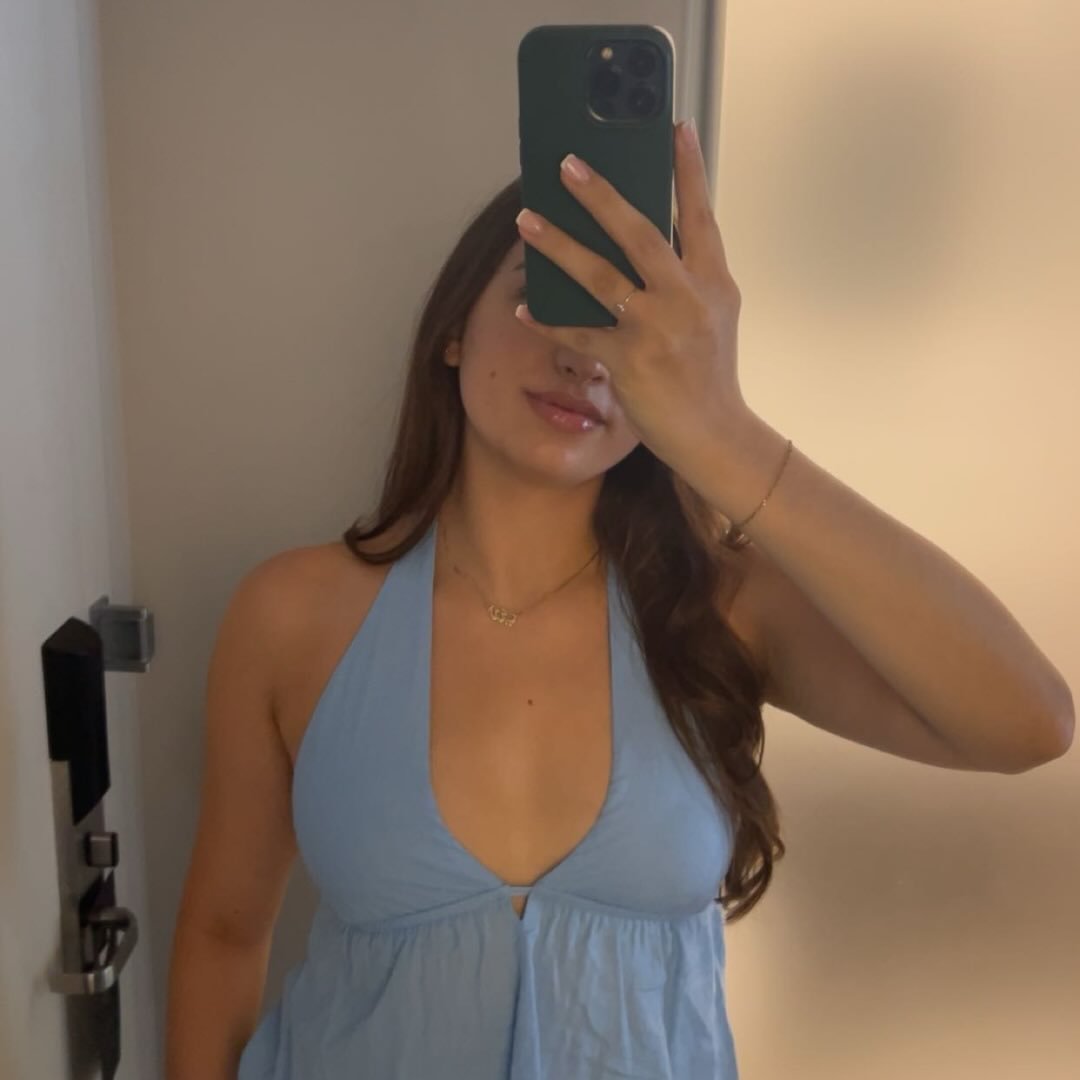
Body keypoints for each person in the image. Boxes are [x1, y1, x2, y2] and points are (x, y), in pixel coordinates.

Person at [165, 119, 1072, 1079]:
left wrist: (724, 431)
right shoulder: (292, 616)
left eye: (625, 328)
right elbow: (223, 935)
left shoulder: (723, 610)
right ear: (451, 332)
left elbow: (1027, 721)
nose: (584, 359)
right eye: (545, 299)